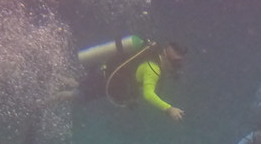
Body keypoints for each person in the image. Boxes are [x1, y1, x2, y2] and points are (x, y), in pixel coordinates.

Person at [59, 38, 187, 121]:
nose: (175, 69)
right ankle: (46, 100)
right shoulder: (153, 69)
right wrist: (169, 109)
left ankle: (57, 78)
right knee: (77, 95)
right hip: (106, 82)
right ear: (165, 58)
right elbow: (148, 94)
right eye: (175, 64)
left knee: (79, 84)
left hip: (106, 75)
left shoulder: (152, 59)